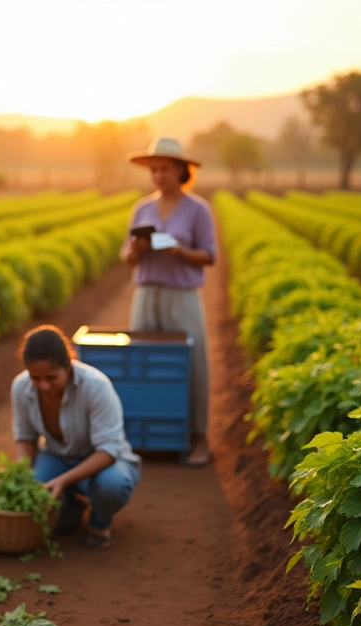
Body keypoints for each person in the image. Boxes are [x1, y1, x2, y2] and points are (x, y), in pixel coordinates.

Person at [121, 137, 216, 467]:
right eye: (154, 169)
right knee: (144, 366)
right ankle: (147, 435)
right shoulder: (142, 208)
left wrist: (179, 251)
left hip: (182, 296)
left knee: (192, 366)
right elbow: (127, 255)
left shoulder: (198, 209)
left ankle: (197, 437)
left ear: (181, 170)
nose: (159, 175)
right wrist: (135, 252)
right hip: (146, 295)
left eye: (165, 169)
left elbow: (209, 255)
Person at [12, 325, 142, 550]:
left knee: (112, 487)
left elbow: (109, 450)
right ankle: (71, 507)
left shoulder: (96, 387)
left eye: (52, 378)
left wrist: (64, 480)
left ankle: (100, 522)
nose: (43, 386)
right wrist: (20, 472)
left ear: (68, 364)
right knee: (35, 501)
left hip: (100, 460)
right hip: (56, 458)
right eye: (36, 378)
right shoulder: (21, 387)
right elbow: (26, 436)